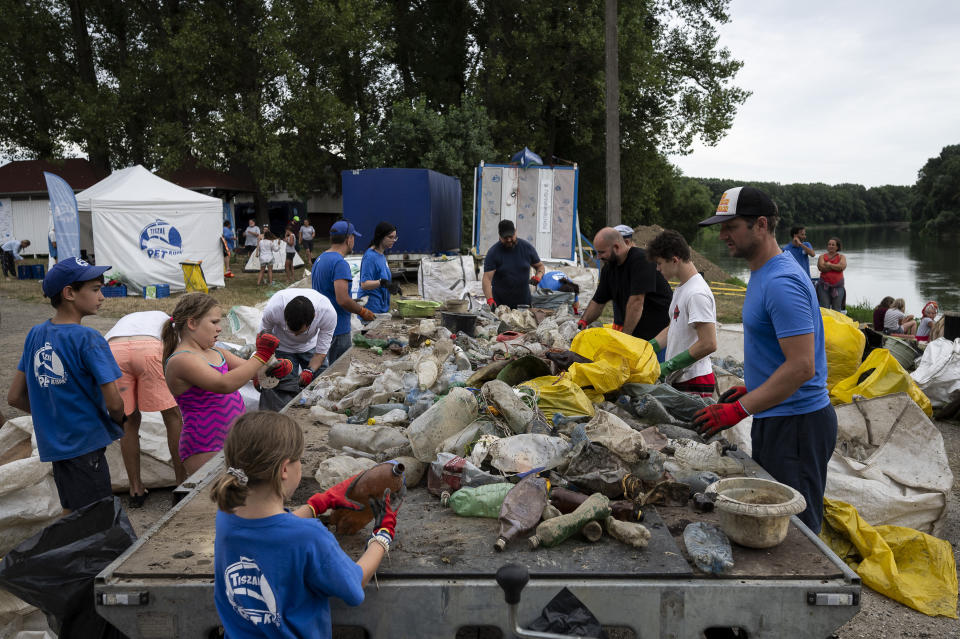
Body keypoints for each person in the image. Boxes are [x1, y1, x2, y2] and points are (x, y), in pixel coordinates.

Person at [693, 186, 836, 533]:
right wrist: (753, 387)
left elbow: (802, 366)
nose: (723, 235)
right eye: (720, 227)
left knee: (796, 530)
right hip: (780, 417)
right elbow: (781, 357)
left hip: (798, 424)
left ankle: (804, 585)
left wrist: (739, 410)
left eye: (731, 226)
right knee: (775, 520)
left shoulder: (781, 281)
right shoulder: (764, 273)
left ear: (760, 225)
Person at [212, 411, 400, 638]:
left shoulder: (226, 516)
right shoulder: (310, 537)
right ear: (284, 469)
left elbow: (272, 530)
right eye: (299, 459)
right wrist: (382, 536)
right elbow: (354, 586)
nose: (300, 465)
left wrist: (318, 504)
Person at [7, 256, 125, 513]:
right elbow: (114, 401)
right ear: (69, 292)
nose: (102, 296)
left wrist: (52, 417)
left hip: (56, 443)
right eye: (95, 289)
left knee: (71, 511)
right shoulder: (88, 339)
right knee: (96, 518)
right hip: (85, 441)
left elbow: (15, 397)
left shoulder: (35, 334)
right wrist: (119, 420)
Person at [162, 292, 286, 476]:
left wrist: (273, 368)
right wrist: (261, 356)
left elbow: (252, 373)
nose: (220, 328)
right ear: (192, 323)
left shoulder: (216, 352)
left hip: (233, 440)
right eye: (214, 322)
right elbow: (224, 384)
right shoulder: (182, 360)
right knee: (216, 501)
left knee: (237, 499)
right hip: (204, 445)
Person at [106, 311, 188, 504]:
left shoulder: (126, 319)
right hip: (149, 349)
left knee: (128, 421)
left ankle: (135, 489)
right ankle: (181, 485)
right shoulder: (168, 322)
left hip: (114, 351)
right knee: (172, 416)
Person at [646, 230, 718, 397]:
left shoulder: (697, 293)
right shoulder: (682, 288)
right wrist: (648, 347)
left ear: (674, 260)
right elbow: (674, 327)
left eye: (659, 263)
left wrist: (670, 365)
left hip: (695, 381)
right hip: (681, 378)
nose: (657, 269)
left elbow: (709, 343)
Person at [578, 227, 671, 340]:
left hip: (658, 335)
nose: (598, 257)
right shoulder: (608, 269)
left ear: (616, 247)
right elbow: (598, 301)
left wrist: (625, 338)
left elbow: (636, 302)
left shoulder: (641, 260)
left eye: (602, 252)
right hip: (636, 334)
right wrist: (583, 322)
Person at [257, 289, 337, 411]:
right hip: (282, 347)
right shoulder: (274, 309)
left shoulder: (327, 313)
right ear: (284, 315)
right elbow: (262, 341)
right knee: (281, 388)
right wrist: (260, 370)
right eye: (291, 330)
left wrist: (309, 370)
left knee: (323, 382)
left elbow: (320, 353)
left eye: (300, 332)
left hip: (311, 347)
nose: (295, 336)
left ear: (314, 318)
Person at [312, 220, 375, 367]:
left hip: (321, 325)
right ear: (349, 239)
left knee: (323, 372)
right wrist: (363, 311)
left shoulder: (321, 258)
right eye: (353, 237)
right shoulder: (340, 263)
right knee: (338, 371)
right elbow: (342, 300)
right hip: (338, 328)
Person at [482, 220, 545, 310]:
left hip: (524, 305)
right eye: (505, 237)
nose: (509, 240)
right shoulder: (493, 253)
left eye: (511, 236)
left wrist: (538, 276)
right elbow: (487, 279)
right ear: (499, 236)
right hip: (501, 307)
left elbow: (540, 266)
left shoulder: (527, 248)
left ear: (516, 232)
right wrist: (490, 300)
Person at [359, 222, 402, 315]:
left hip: (381, 307)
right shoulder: (370, 257)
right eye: (390, 237)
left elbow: (381, 276)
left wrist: (391, 286)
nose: (394, 240)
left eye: (395, 237)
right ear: (381, 237)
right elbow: (364, 284)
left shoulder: (381, 254)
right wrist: (382, 282)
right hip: (371, 309)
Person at [815, 237, 846, 311]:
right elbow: (821, 268)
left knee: (837, 308)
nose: (831, 246)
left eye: (833, 245)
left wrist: (829, 264)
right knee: (824, 308)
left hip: (838, 286)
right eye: (829, 244)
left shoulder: (842, 257)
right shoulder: (822, 257)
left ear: (837, 247)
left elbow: (841, 267)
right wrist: (836, 266)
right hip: (823, 287)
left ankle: (836, 322)